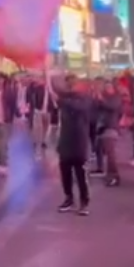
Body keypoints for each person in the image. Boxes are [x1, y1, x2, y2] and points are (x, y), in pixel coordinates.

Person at [52, 75, 93, 215]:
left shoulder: (85, 99)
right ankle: (68, 198)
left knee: (81, 174)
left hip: (79, 142)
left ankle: (84, 201)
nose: (71, 86)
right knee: (65, 173)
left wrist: (64, 99)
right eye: (69, 83)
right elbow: (55, 87)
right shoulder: (65, 99)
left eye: (74, 83)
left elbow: (79, 108)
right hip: (65, 141)